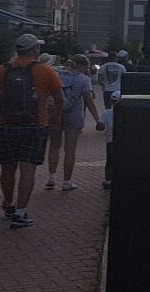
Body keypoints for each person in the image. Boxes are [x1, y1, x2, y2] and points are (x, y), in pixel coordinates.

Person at [0, 34, 64, 228]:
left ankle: (8, 204)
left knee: (7, 167)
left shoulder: (1, 70)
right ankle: (21, 213)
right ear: (35, 50)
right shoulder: (45, 70)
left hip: (5, 125)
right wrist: (52, 118)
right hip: (34, 125)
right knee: (27, 169)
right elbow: (59, 99)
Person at [45, 55, 105, 191]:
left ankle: (52, 177)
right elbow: (88, 101)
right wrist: (97, 119)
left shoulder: (57, 74)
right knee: (70, 149)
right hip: (74, 114)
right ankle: (66, 181)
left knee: (54, 146)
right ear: (82, 65)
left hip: (55, 112)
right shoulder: (83, 79)